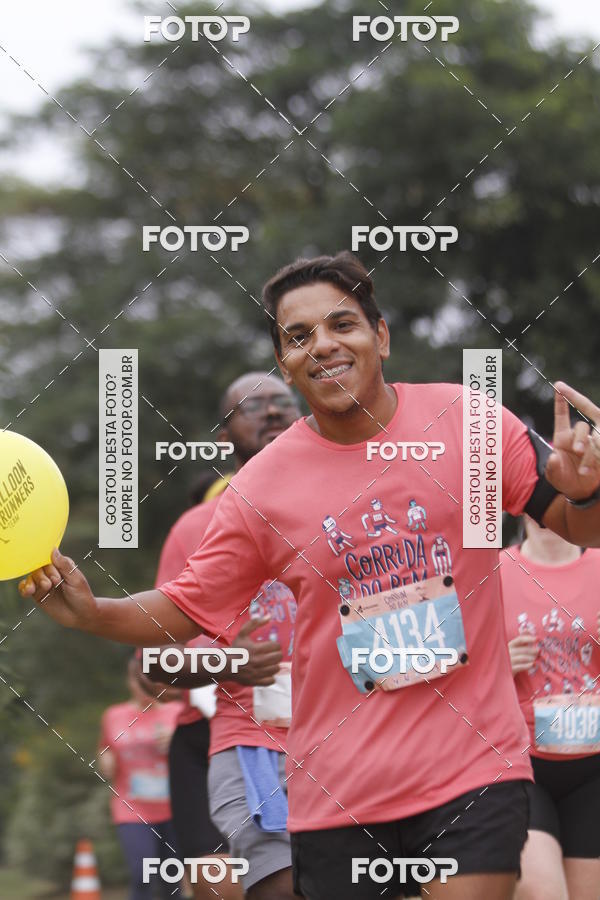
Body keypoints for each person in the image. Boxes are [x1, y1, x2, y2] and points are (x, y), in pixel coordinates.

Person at [20, 251, 600, 900]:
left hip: (473, 767)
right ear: (284, 361)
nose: (322, 345)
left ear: (381, 336)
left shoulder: (467, 422)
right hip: (338, 791)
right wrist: (92, 611)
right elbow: (187, 607)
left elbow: (579, 528)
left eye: (342, 324)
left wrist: (587, 492)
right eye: (298, 336)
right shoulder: (262, 487)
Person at [148, 372, 300, 900]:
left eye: (283, 402)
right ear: (223, 436)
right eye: (253, 406)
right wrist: (230, 662)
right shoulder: (195, 528)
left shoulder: (347, 506)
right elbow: (156, 664)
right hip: (234, 739)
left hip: (346, 737)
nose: (272, 411)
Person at [502, 515, 600, 900]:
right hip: (524, 767)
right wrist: (499, 665)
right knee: (542, 892)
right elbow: (463, 671)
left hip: (593, 771)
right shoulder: (493, 572)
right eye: (537, 493)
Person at [98, 658, 184, 900]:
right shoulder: (114, 715)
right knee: (142, 874)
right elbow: (105, 747)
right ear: (130, 681)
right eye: (141, 681)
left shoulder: (178, 711)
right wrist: (105, 759)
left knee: (172, 882)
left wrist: (178, 741)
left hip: (175, 808)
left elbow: (199, 752)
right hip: (131, 807)